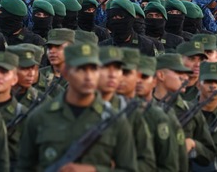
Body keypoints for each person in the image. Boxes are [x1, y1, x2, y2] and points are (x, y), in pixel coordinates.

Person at [16, 42, 139, 171]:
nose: (89, 77)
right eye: (81, 69)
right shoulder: (40, 117)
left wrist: (94, 170)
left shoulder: (114, 120)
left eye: (94, 69)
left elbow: (129, 169)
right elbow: (24, 167)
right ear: (66, 71)